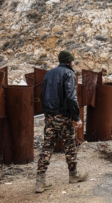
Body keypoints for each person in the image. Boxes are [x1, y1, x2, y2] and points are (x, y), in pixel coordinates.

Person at [36, 50, 88, 193]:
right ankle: (74, 175)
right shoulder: (69, 74)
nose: (74, 63)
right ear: (69, 61)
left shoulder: (48, 74)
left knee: (47, 146)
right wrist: (76, 117)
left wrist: (48, 113)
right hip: (63, 116)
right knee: (70, 145)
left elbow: (42, 94)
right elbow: (71, 97)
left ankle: (40, 181)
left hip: (49, 116)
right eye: (73, 61)